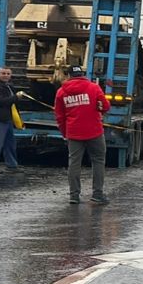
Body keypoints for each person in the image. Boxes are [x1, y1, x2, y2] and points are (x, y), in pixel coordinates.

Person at [54, 64, 110, 204]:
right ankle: (97, 194)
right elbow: (106, 106)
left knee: (74, 163)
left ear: (68, 76)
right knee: (98, 161)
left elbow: (59, 116)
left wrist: (64, 133)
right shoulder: (94, 88)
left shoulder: (61, 92)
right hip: (94, 131)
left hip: (74, 133)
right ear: (83, 74)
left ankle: (74, 195)